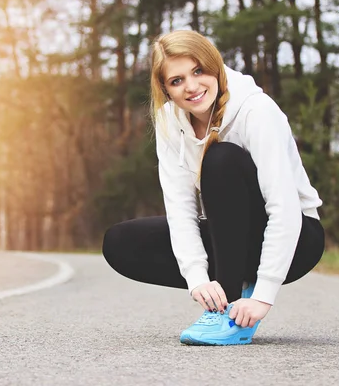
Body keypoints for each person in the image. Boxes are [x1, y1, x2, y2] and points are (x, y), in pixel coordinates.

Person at [102, 29, 325, 346]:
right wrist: (196, 279)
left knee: (221, 158)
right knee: (120, 242)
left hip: (298, 237)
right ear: (165, 89)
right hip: (231, 238)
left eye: (198, 71)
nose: (191, 87)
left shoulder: (255, 110)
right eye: (176, 80)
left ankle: (232, 307)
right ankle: (222, 295)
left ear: (214, 67)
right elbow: (181, 209)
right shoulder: (169, 121)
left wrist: (263, 296)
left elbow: (284, 208)